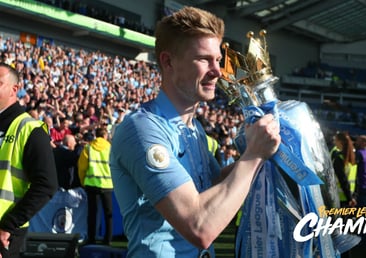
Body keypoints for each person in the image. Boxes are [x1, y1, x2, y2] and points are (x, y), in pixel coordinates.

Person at [109, 6, 281, 258]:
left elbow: (212, 185)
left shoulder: (194, 129)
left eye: (218, 60)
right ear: (168, 61)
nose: (218, 71)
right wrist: (253, 155)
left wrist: (269, 156)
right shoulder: (142, 129)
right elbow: (199, 226)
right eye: (204, 59)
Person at [0, 63, 58, 258]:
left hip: (4, 233)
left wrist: (9, 225)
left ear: (14, 89)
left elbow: (46, 185)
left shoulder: (30, 129)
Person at [78, 127, 113, 245]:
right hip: (107, 185)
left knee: (92, 213)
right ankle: (108, 239)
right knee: (108, 214)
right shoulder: (110, 148)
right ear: (105, 136)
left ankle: (91, 238)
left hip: (91, 185)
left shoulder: (88, 148)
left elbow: (82, 168)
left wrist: (83, 182)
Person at [354, 134, 366, 247]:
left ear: (365, 143)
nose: (356, 142)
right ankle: (363, 238)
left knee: (361, 215)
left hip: (363, 187)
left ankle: (362, 240)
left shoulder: (360, 153)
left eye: (359, 141)